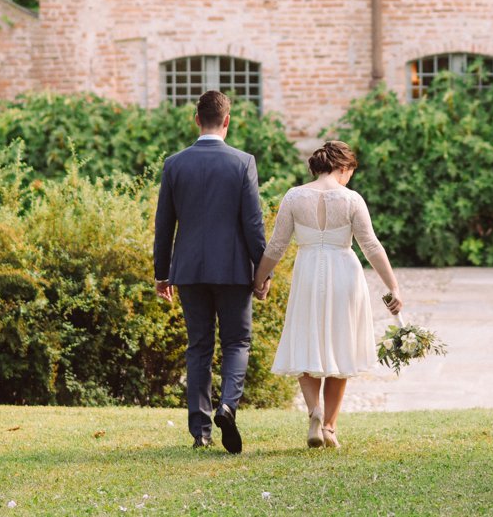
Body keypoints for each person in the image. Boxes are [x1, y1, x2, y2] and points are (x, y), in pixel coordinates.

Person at [252, 140, 402, 449]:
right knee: (339, 345)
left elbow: (277, 245)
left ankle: (315, 413)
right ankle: (331, 427)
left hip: (308, 272)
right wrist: (393, 286)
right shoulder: (351, 199)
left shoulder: (294, 196)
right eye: (350, 172)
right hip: (343, 273)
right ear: (343, 168)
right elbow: (371, 246)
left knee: (309, 340)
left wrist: (259, 279)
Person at [153, 90, 269, 454]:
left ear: (196, 119)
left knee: (198, 346)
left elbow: (163, 225)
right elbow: (253, 223)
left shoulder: (175, 163)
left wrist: (162, 273)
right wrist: (262, 271)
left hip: (188, 270)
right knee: (237, 342)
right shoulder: (242, 162)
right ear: (227, 121)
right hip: (234, 269)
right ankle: (227, 406)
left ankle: (200, 431)